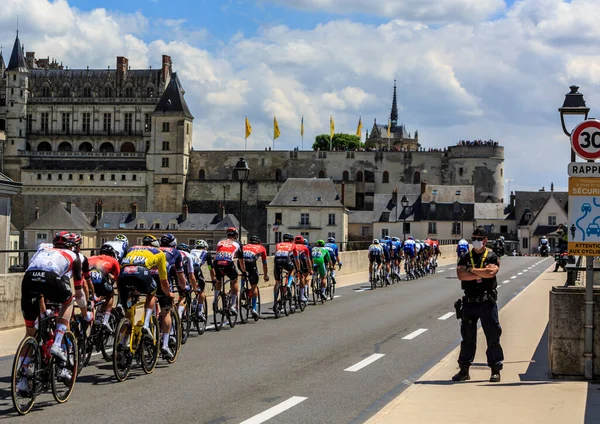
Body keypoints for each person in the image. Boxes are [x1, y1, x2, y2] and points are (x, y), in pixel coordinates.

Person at [21, 232, 83, 362]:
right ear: (73, 246)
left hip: (28, 278)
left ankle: (23, 374)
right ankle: (57, 343)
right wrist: (85, 310)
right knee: (68, 301)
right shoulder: (74, 256)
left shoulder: (42, 248)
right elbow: (79, 292)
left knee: (30, 332)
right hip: (50, 277)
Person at [454, 227, 503, 383]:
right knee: (467, 338)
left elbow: (491, 273)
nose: (476, 241)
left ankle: (495, 370)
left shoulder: (492, 256)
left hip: (487, 301)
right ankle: (464, 370)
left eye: (479, 238)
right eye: (473, 238)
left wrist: (472, 270)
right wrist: (481, 272)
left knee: (493, 336)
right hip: (469, 302)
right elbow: (461, 275)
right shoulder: (465, 256)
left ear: (485, 240)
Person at [119, 234, 173, 358]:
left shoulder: (132, 248)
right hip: (141, 272)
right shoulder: (159, 253)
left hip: (124, 274)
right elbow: (163, 281)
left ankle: (123, 342)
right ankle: (146, 325)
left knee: (129, 311)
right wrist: (167, 293)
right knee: (152, 293)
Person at [88, 243, 121, 332]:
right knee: (110, 294)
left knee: (91, 294)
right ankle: (105, 321)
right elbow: (117, 278)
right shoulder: (113, 260)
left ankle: (90, 307)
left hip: (88, 277)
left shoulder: (91, 258)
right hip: (100, 277)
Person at [213, 227, 247, 316]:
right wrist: (243, 271)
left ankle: (215, 298)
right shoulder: (238, 243)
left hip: (217, 262)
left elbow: (217, 253)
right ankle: (233, 304)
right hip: (228, 262)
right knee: (234, 280)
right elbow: (241, 260)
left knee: (219, 280)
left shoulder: (220, 241)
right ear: (236, 235)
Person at [242, 235, 269, 318]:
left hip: (241, 262)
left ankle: (242, 287)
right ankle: (254, 308)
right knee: (254, 286)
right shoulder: (262, 248)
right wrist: (265, 275)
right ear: (259, 242)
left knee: (243, 272)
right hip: (251, 264)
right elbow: (264, 264)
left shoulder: (245, 246)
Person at [189, 240, 215, 322]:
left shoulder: (191, 251)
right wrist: (213, 279)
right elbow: (210, 268)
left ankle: (187, 308)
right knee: (201, 290)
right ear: (205, 247)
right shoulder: (206, 253)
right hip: (196, 269)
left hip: (186, 269)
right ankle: (199, 311)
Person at [273, 233, 300, 307]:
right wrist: (298, 269)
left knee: (277, 282)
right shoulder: (293, 245)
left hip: (277, 260)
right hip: (286, 259)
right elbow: (296, 259)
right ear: (291, 240)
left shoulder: (278, 244)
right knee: (292, 270)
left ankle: (275, 300)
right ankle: (288, 285)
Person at [294, 235, 313, 303]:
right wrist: (310, 269)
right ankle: (303, 293)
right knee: (304, 276)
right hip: (303, 262)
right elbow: (310, 259)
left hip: (291, 262)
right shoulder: (306, 247)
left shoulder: (292, 246)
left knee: (290, 274)